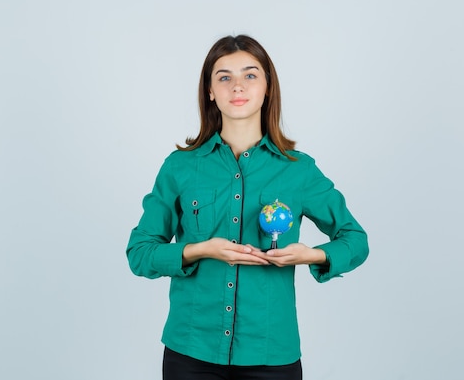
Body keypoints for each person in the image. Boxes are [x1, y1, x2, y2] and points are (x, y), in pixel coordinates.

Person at [127, 34, 369, 380]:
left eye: (250, 75)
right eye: (224, 77)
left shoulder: (297, 169)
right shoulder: (180, 167)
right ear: (210, 91)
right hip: (191, 351)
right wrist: (201, 250)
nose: (237, 86)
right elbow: (140, 252)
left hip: (271, 352)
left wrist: (310, 255)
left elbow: (355, 239)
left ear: (267, 87)